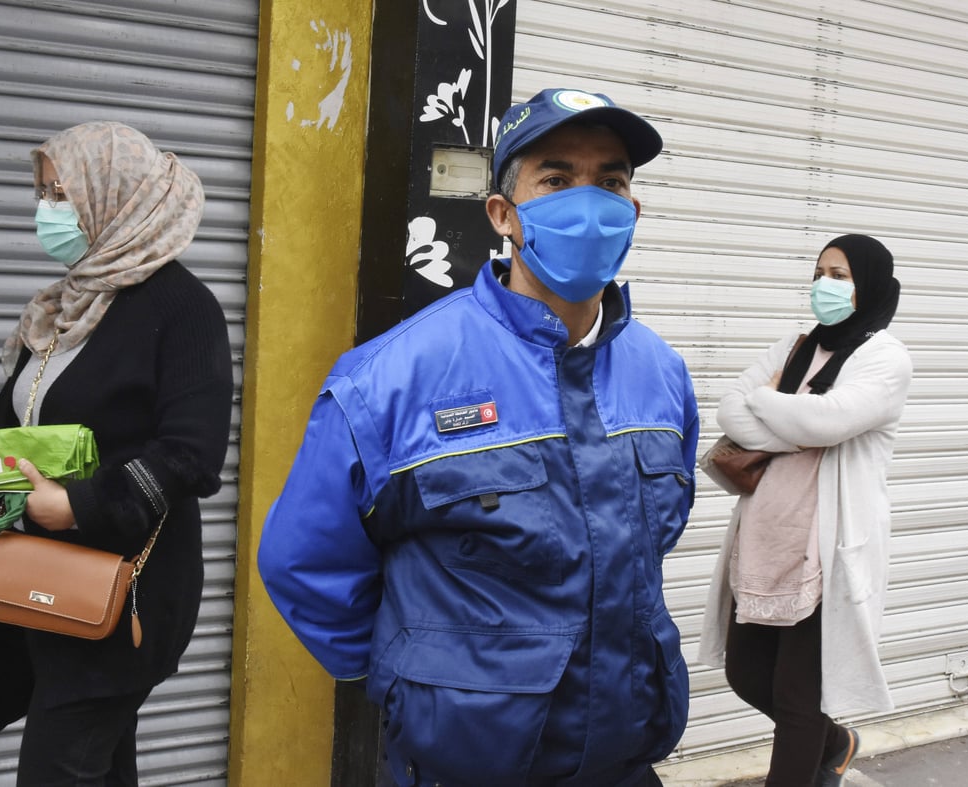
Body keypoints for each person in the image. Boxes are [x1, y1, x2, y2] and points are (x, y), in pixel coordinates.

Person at [258, 88, 699, 786]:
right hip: (461, 763)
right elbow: (303, 560)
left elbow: (652, 537)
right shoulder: (392, 377)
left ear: (631, 213)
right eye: (555, 179)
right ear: (503, 214)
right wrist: (412, 675)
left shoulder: (660, 372)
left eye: (609, 182)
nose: (586, 204)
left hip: (621, 756)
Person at [0, 121, 233, 785]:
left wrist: (75, 505)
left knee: (60, 763)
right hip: (50, 590)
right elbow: (11, 447)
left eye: (61, 194)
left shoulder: (181, 307)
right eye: (44, 193)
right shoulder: (60, 311)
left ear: (116, 197)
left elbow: (191, 452)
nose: (47, 211)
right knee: (100, 768)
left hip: (125, 595)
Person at [697, 234, 912, 786]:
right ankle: (836, 742)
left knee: (796, 699)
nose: (825, 285)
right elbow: (729, 411)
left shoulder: (885, 358)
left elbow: (830, 422)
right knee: (746, 672)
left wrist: (770, 403)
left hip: (825, 549)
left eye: (840, 275)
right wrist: (798, 422)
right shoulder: (795, 348)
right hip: (767, 540)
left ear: (869, 284)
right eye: (821, 272)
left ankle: (814, 758)